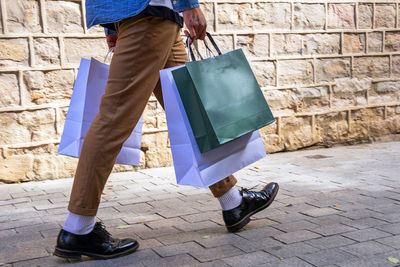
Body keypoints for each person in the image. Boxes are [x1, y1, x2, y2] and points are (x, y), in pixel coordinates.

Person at [54, 0, 279, 260]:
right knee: (114, 118)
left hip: (154, 16)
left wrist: (112, 26)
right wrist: (189, 4)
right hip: (149, 16)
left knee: (190, 112)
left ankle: (233, 202)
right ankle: (77, 228)